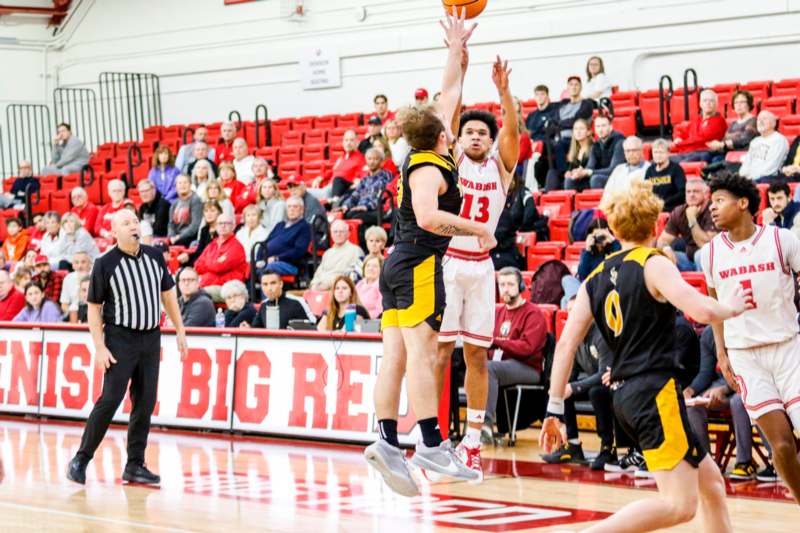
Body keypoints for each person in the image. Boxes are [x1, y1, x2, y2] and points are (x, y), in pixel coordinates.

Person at [541, 179, 749, 533]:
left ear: (613, 226)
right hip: (654, 392)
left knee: (711, 483)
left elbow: (565, 346)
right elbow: (700, 310)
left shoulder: (594, 277)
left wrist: (554, 407)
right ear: (655, 223)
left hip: (625, 395)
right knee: (679, 506)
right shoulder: (654, 263)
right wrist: (732, 307)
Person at [365, 11, 492, 497]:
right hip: (419, 262)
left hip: (399, 263)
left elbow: (451, 93)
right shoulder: (428, 168)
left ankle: (386, 440)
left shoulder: (429, 152)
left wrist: (456, 50)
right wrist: (477, 226)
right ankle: (433, 444)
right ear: (444, 135)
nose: (456, 124)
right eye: (451, 125)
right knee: (420, 355)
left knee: (394, 356)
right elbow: (426, 216)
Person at [436, 54, 519, 479]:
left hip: (482, 267)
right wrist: (461, 69)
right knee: (438, 351)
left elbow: (512, 131)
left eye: (480, 133)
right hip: (449, 261)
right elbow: (449, 111)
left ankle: (471, 442)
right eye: (468, 131)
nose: (473, 136)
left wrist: (503, 91)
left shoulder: (501, 167)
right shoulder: (451, 159)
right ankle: (433, 439)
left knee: (476, 356)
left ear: (489, 141)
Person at [66, 208, 188, 486]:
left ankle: (135, 465)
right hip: (120, 339)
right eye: (126, 223)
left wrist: (180, 329)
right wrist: (99, 346)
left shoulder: (156, 256)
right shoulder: (105, 263)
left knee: (144, 403)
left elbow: (168, 295)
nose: (133, 225)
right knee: (109, 400)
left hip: (150, 338)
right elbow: (94, 309)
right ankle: (81, 459)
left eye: (135, 221)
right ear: (115, 232)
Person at [702, 171, 800, 503]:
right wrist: (721, 352)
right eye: (710, 202)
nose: (711, 208)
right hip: (746, 355)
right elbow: (714, 307)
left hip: (788, 347)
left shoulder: (781, 240)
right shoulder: (711, 253)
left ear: (743, 203)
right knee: (782, 444)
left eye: (719, 200)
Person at [685, 327, 775, 482]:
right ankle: (707, 463)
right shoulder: (708, 334)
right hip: (723, 385)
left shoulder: (744, 329)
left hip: (750, 382)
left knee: (739, 402)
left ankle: (744, 462)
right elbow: (705, 373)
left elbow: (751, 370)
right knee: (694, 406)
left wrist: (725, 389)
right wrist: (690, 390)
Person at [484, 267, 547, 441]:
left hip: (528, 368)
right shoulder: (497, 312)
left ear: (520, 286)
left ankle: (485, 426)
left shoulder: (533, 313)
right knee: (477, 365)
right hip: (502, 366)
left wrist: (496, 341)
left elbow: (527, 348)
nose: (505, 288)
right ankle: (474, 424)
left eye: (510, 284)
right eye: (501, 284)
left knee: (488, 368)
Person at [657, 178, 717, 271]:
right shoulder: (679, 211)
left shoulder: (713, 210)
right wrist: (666, 249)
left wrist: (692, 219)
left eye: (696, 191)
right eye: (688, 192)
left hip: (714, 260)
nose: (691, 195)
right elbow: (662, 240)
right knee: (662, 257)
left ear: (705, 194)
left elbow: (706, 246)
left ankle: (704, 285)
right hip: (688, 259)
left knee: (700, 255)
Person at [335, 148, 393, 237]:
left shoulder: (385, 175)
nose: (372, 162)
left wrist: (366, 207)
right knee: (344, 214)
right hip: (361, 209)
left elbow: (380, 197)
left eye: (375, 159)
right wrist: (346, 206)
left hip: (377, 210)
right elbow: (355, 195)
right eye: (369, 159)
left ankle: (363, 245)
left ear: (381, 161)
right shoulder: (365, 178)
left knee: (354, 216)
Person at [193, 213, 247, 301]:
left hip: (228, 287)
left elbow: (219, 267)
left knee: (198, 294)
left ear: (233, 226)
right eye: (220, 223)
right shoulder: (212, 245)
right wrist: (214, 263)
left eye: (227, 223)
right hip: (208, 284)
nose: (223, 226)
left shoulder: (236, 247)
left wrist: (208, 264)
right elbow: (197, 265)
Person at [254, 196, 311, 276]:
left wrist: (277, 258)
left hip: (288, 263)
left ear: (302, 210)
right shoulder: (280, 225)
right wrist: (258, 260)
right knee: (250, 269)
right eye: (289, 207)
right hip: (267, 261)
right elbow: (264, 243)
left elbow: (298, 251)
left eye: (295, 207)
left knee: (268, 269)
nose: (291, 209)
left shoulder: (304, 227)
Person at [671, 90, 728, 161]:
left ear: (717, 104)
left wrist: (680, 144)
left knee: (678, 165)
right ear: (700, 104)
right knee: (660, 162)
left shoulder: (719, 121)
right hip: (687, 152)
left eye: (711, 101)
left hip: (704, 152)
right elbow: (685, 132)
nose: (708, 103)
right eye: (705, 101)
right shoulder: (697, 119)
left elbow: (700, 139)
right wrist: (679, 138)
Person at [309, 220, 364, 291]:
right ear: (331, 234)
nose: (338, 234)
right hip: (319, 289)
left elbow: (354, 276)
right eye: (335, 232)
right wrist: (313, 285)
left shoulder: (355, 251)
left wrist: (330, 284)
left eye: (341, 231)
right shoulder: (327, 253)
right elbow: (318, 274)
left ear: (348, 234)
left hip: (339, 290)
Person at [249, 271, 315, 329]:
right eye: (265, 284)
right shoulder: (263, 305)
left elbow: (311, 327)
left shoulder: (297, 302)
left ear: (281, 284)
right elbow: (255, 329)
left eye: (273, 283)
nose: (269, 288)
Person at [706, 90, 758, 162]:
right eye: (736, 102)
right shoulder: (734, 123)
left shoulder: (753, 121)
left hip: (742, 156)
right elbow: (725, 139)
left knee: (715, 160)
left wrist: (722, 144)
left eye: (742, 102)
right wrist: (716, 144)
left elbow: (744, 140)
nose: (738, 105)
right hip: (729, 153)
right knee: (704, 156)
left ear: (749, 104)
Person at [738, 111, 790, 183]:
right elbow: (746, 164)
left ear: (773, 123)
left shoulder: (779, 140)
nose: (760, 121)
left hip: (767, 179)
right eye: (758, 119)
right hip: (750, 180)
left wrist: (750, 179)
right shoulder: (755, 141)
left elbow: (771, 167)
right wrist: (742, 178)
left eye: (764, 118)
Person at [316, 130, 367, 201]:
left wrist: (359, 181)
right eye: (346, 140)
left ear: (357, 143)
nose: (348, 143)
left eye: (351, 140)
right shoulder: (341, 157)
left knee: (307, 194)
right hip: (329, 188)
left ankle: (333, 201)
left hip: (341, 189)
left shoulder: (361, 158)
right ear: (343, 143)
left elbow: (364, 174)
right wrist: (320, 178)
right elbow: (333, 171)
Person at [601, 136, 650, 204]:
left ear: (641, 151)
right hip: (615, 209)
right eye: (628, 151)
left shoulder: (649, 169)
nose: (631, 154)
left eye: (634, 150)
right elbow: (607, 194)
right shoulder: (619, 169)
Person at [644, 138, 687, 212]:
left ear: (668, 153)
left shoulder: (676, 169)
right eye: (655, 152)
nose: (658, 155)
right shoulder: (650, 170)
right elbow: (645, 191)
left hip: (672, 209)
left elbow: (682, 193)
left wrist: (664, 202)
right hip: (654, 209)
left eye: (661, 152)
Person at [167, 175, 203, 247]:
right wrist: (171, 236)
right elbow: (171, 224)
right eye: (180, 183)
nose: (182, 185)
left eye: (185, 182)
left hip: (190, 237)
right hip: (176, 238)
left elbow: (195, 226)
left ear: (190, 185)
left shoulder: (195, 200)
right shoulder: (175, 203)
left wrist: (179, 237)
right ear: (176, 186)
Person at [562, 118, 594, 191]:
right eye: (575, 129)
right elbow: (570, 169)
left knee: (569, 182)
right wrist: (569, 172)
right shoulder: (574, 151)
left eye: (581, 128)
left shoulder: (594, 148)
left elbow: (591, 168)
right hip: (576, 181)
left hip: (589, 181)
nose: (578, 132)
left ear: (589, 132)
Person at [356, 255, 383, 319]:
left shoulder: (381, 286)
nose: (370, 268)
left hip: (371, 323)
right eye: (368, 265)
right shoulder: (359, 284)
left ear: (381, 270)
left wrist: (363, 317)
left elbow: (379, 311)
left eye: (375, 266)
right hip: (354, 320)